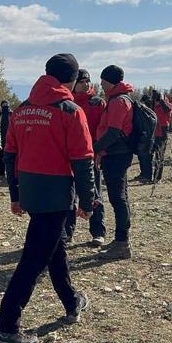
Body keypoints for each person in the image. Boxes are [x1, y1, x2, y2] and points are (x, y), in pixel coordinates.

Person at [0, 53, 95, 343]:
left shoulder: (21, 109)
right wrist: (88, 201)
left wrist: (15, 195)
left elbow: (9, 154)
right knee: (33, 261)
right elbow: (83, 160)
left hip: (30, 191)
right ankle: (6, 326)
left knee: (55, 248)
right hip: (56, 195)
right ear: (73, 79)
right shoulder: (70, 110)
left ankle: (72, 301)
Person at [93, 64, 135, 260]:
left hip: (116, 155)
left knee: (118, 198)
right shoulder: (120, 98)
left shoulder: (118, 101)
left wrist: (96, 149)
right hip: (118, 153)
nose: (101, 85)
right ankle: (120, 239)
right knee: (120, 197)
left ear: (110, 81)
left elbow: (113, 131)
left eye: (103, 82)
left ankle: (122, 243)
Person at [64, 69, 107, 247]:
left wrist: (100, 151)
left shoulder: (98, 103)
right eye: (82, 81)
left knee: (94, 193)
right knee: (69, 196)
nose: (86, 84)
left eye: (88, 81)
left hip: (91, 156)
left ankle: (98, 232)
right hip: (70, 157)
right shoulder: (67, 104)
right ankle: (67, 233)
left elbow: (103, 128)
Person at [151, 89, 172, 182]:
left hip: (163, 131)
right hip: (155, 131)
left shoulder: (168, 105)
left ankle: (158, 177)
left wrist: (161, 100)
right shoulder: (155, 104)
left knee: (160, 155)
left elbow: (167, 109)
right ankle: (150, 175)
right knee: (153, 154)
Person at [134, 94, 153, 183]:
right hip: (147, 138)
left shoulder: (146, 112)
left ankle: (147, 176)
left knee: (146, 158)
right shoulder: (149, 111)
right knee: (144, 157)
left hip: (146, 138)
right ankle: (144, 174)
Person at [0, 100, 12, 180]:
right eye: (4, 105)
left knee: (10, 157)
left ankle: (10, 173)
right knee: (1, 157)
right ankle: (2, 173)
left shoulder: (12, 114)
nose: (5, 106)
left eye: (7, 105)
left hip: (10, 139)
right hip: (1, 138)